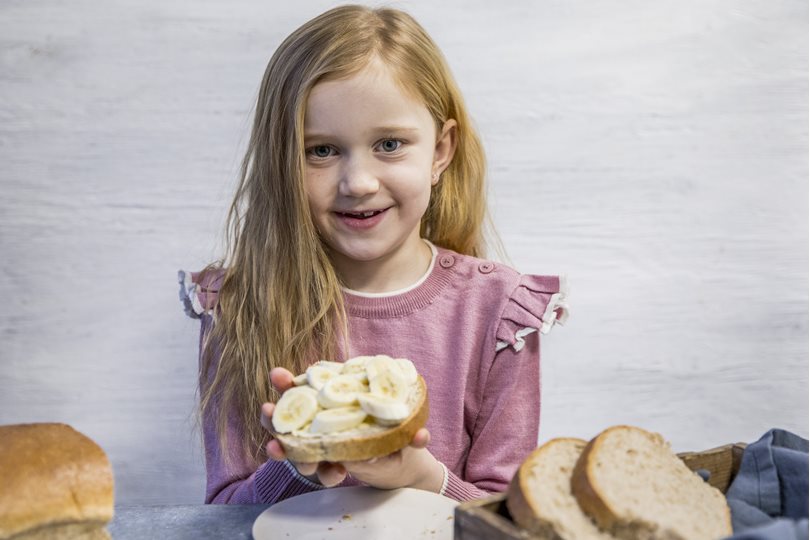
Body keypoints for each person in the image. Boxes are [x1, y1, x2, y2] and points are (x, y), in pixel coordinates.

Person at [178, 4, 569, 505]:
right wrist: (300, 467)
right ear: (282, 161)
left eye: (389, 143)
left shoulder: (499, 313)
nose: (358, 183)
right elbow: (223, 515)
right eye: (320, 150)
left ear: (440, 152)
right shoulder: (238, 305)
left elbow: (511, 519)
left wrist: (422, 475)